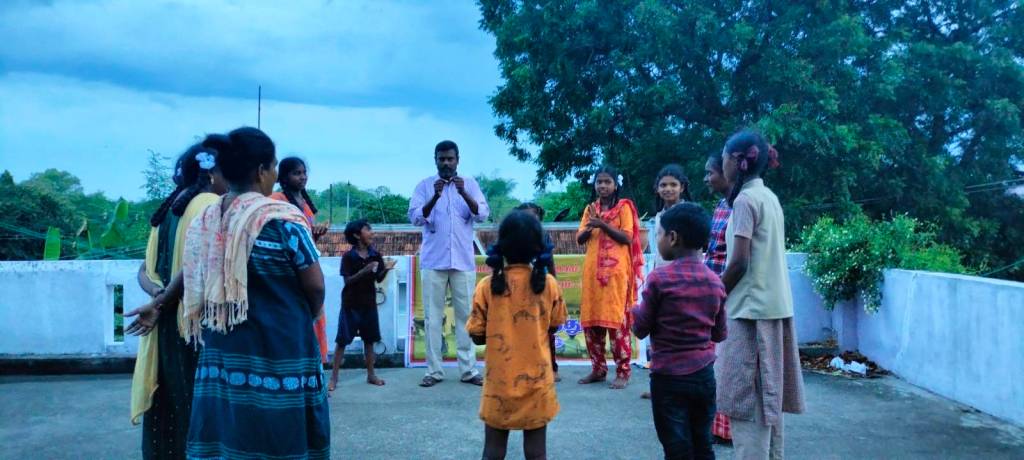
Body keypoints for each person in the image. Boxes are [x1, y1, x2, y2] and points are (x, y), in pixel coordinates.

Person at [181, 127, 330, 459]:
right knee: (280, 428)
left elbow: (190, 273)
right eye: (274, 166)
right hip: (280, 344)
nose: (275, 174)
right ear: (262, 171)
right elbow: (315, 285)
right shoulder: (283, 221)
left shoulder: (207, 219)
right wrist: (305, 314)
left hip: (223, 345)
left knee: (229, 425)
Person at [125, 144, 226, 459]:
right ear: (212, 174)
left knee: (167, 404)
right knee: (197, 406)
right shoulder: (211, 205)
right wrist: (163, 301)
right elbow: (197, 263)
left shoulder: (169, 209)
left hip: (165, 323)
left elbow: (144, 271)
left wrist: (158, 299)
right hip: (194, 324)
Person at [716, 130, 805, 459]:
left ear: (736, 162)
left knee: (747, 403)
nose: (721, 166)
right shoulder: (769, 197)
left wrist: (714, 296)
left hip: (749, 313)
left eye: (724, 159)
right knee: (770, 401)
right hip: (774, 310)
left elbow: (739, 261)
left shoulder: (744, 201)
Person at [467, 211, 568, 460]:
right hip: (538, 383)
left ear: (501, 244)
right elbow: (555, 325)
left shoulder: (486, 286)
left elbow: (477, 334)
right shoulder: (549, 284)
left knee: (492, 452)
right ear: (538, 247)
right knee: (536, 454)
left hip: (498, 384)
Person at [632, 203, 727, 460]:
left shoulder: (659, 279)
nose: (658, 239)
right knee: (703, 444)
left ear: (673, 237)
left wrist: (633, 310)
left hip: (668, 378)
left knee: (677, 448)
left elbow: (640, 329)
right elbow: (719, 334)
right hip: (704, 376)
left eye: (659, 234)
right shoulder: (715, 282)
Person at [408, 140, 490, 388]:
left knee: (466, 317)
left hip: (462, 260)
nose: (446, 163)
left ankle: (468, 370)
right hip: (434, 261)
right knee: (433, 318)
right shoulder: (424, 186)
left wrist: (463, 192)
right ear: (435, 160)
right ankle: (433, 371)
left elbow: (482, 214)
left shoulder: (470, 184)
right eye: (441, 159)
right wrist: (435, 196)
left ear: (457, 160)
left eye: (450, 159)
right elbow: (415, 218)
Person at [576, 165, 645, 390]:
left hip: (616, 275)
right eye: (599, 182)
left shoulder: (624, 207)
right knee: (592, 323)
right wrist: (591, 226)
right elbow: (580, 238)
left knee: (617, 323)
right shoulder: (590, 209)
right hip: (592, 275)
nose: (602, 186)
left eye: (607, 182)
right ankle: (598, 369)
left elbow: (627, 237)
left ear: (616, 185)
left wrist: (602, 224)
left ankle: (623, 371)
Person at [270, 157, 330, 365]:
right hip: (286, 271)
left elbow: (306, 241)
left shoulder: (305, 205)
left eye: (304, 172)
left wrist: (316, 235)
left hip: (305, 267)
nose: (303, 177)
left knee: (314, 320)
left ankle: (314, 367)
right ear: (284, 177)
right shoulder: (276, 200)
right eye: (297, 173)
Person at [641, 163, 692, 400]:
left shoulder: (689, 213)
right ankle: (659, 385)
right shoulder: (659, 216)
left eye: (673, 184)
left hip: (684, 281)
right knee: (659, 333)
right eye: (663, 185)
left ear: (682, 187)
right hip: (661, 281)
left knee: (681, 333)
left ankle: (681, 385)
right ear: (657, 188)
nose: (668, 189)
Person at [328, 219, 396, 392]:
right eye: (368, 229)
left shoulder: (375, 255)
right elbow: (348, 281)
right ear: (357, 235)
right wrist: (364, 271)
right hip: (350, 304)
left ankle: (371, 375)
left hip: (369, 304)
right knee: (342, 341)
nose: (372, 232)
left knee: (369, 340)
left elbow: (378, 278)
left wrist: (386, 269)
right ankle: (333, 377)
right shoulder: (348, 257)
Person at [704, 150, 735, 444]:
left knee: (726, 363)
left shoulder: (741, 207)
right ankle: (716, 426)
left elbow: (737, 260)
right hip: (714, 289)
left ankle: (727, 429)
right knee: (714, 361)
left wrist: (718, 292)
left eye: (710, 173)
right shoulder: (721, 206)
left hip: (728, 293)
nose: (707, 179)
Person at [514, 202, 561, 382]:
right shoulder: (512, 238)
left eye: (532, 217)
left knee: (546, 331)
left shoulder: (544, 237)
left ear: (539, 219)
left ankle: (552, 367)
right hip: (519, 291)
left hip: (541, 288)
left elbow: (550, 262)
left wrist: (555, 286)